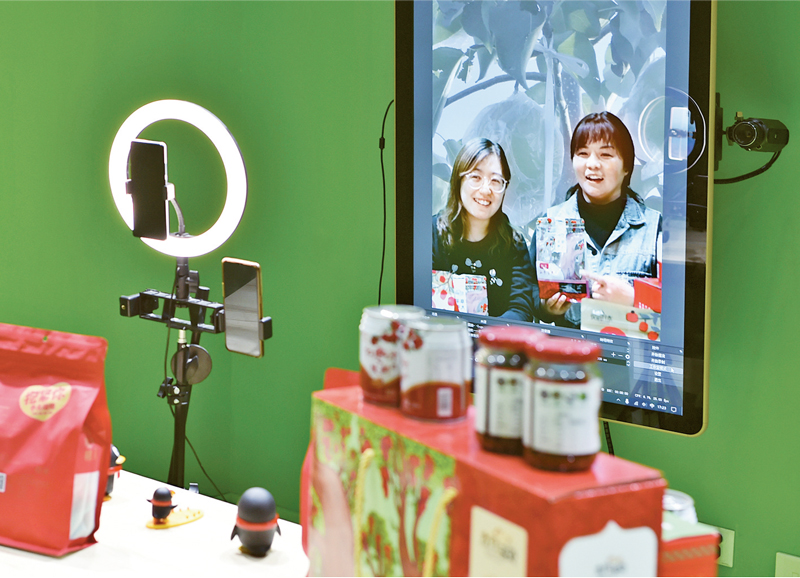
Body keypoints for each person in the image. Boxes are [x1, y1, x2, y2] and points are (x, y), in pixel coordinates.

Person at [503, 112, 662, 327]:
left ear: (627, 166)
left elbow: (677, 315)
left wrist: (634, 299)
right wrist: (548, 308)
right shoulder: (551, 223)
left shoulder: (654, 228)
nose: (592, 164)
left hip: (630, 348)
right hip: (568, 348)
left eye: (605, 154)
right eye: (583, 153)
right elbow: (528, 298)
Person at [432, 138, 534, 318]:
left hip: (497, 337)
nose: (486, 190)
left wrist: (486, 333)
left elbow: (521, 309)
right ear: (458, 180)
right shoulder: (431, 233)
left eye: (496, 181)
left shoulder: (514, 243)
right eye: (476, 177)